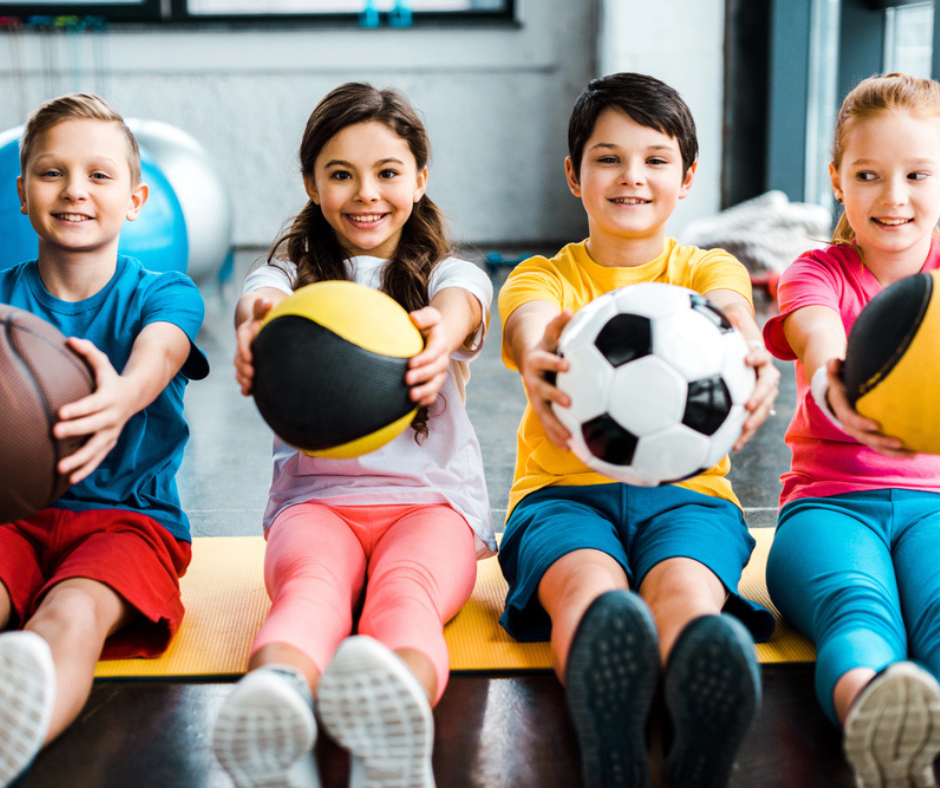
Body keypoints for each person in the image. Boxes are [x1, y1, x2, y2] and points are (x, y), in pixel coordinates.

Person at [497, 72, 780, 788]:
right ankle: (611, 726)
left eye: (655, 159)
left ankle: (697, 703)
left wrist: (751, 350)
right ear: (574, 174)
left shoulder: (706, 269)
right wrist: (538, 352)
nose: (632, 177)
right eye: (608, 157)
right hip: (562, 498)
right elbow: (528, 320)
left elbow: (732, 309)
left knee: (685, 589)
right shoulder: (544, 276)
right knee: (588, 590)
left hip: (689, 495)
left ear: (687, 179)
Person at [211, 82, 495, 788]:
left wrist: (444, 328)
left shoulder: (442, 277)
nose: (365, 193)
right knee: (310, 592)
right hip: (317, 506)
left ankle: (395, 726)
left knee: (406, 595)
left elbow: (469, 299)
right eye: (340, 174)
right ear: (311, 183)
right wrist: (258, 322)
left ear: (420, 179)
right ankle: (275, 712)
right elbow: (260, 296)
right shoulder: (287, 277)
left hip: (432, 511)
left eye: (388, 173)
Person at [0, 93, 209, 787]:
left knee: (74, 610)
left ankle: (18, 729)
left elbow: (162, 352)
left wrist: (122, 394)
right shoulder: (4, 310)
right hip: (13, 515)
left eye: (98, 174)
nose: (74, 191)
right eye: (52, 173)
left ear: (135, 198)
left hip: (127, 524)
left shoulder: (165, 294)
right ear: (23, 193)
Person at [763, 72, 940, 788]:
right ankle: (875, 718)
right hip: (829, 505)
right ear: (838, 179)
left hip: (934, 505)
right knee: (859, 612)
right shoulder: (816, 271)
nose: (893, 197)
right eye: (869, 175)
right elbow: (815, 330)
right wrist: (837, 373)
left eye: (917, 175)